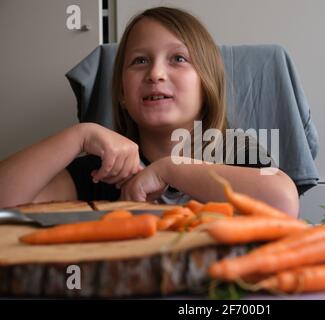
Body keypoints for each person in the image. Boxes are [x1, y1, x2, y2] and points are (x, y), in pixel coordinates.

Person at [0, 7, 300, 217]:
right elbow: (6, 205)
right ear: (120, 92)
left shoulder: (236, 152)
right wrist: (80, 135)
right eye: (140, 61)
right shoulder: (102, 171)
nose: (155, 73)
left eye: (179, 58)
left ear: (207, 84)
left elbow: (284, 201)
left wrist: (169, 169)